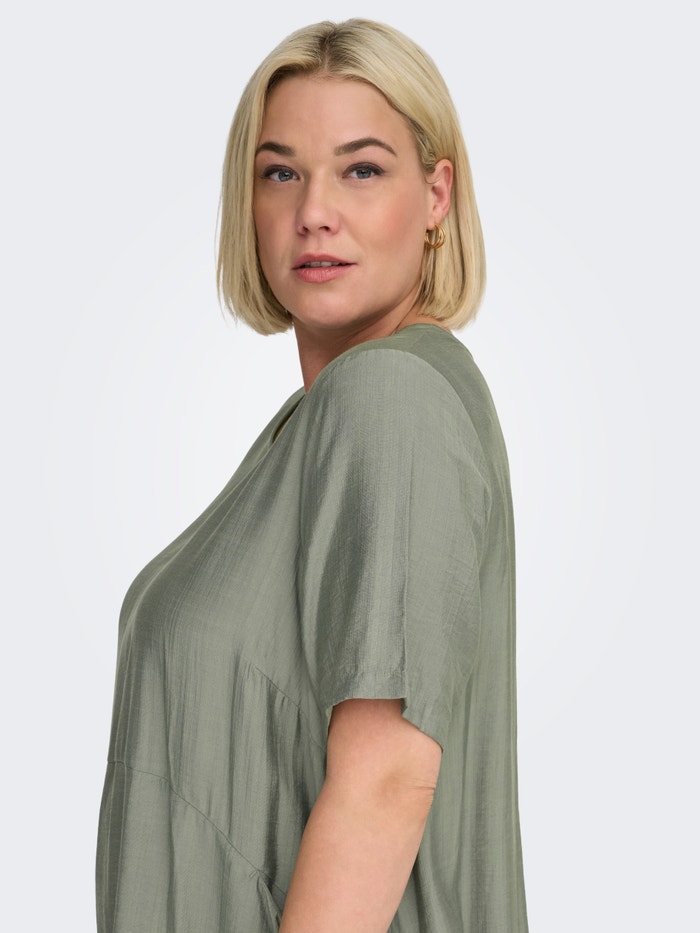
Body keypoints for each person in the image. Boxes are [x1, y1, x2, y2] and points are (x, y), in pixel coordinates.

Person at [96, 18, 528, 933]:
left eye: (361, 170)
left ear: (437, 195)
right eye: (280, 172)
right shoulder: (330, 419)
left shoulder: (391, 397)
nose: (314, 211)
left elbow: (386, 780)